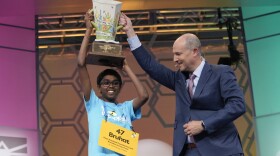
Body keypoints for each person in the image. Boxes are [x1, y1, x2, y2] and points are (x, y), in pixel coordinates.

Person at [119, 13, 246, 156]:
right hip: (188, 151)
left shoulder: (221, 72)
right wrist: (130, 31)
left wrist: (204, 124)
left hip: (220, 150)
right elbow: (150, 65)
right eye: (174, 54)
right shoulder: (178, 79)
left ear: (195, 51)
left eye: (178, 54)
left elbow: (237, 105)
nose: (175, 59)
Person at [77, 11, 149, 156]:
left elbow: (144, 96)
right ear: (99, 87)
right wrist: (89, 30)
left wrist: (126, 68)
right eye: (106, 83)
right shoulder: (93, 103)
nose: (111, 86)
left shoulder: (126, 108)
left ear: (120, 87)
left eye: (115, 83)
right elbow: (80, 64)